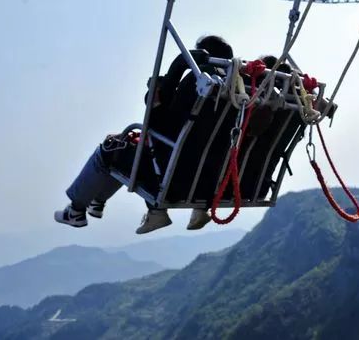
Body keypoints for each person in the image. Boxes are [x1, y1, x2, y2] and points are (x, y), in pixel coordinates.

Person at [54, 35, 234, 233]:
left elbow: (159, 126)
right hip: (208, 180)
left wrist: (159, 92)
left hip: (170, 176)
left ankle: (75, 211)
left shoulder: (199, 85)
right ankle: (97, 201)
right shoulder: (238, 97)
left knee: (111, 147)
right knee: (127, 146)